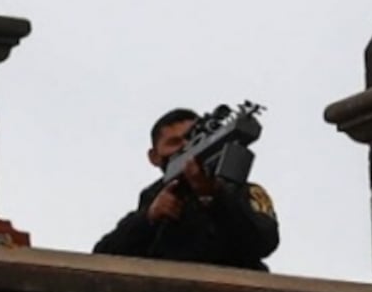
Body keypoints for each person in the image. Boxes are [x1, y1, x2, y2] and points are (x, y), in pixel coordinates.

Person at [93, 108, 279, 271]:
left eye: (191, 139)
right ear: (154, 157)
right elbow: (103, 258)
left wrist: (213, 198)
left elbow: (264, 241)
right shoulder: (151, 200)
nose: (184, 147)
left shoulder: (240, 190)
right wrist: (149, 218)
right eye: (174, 143)